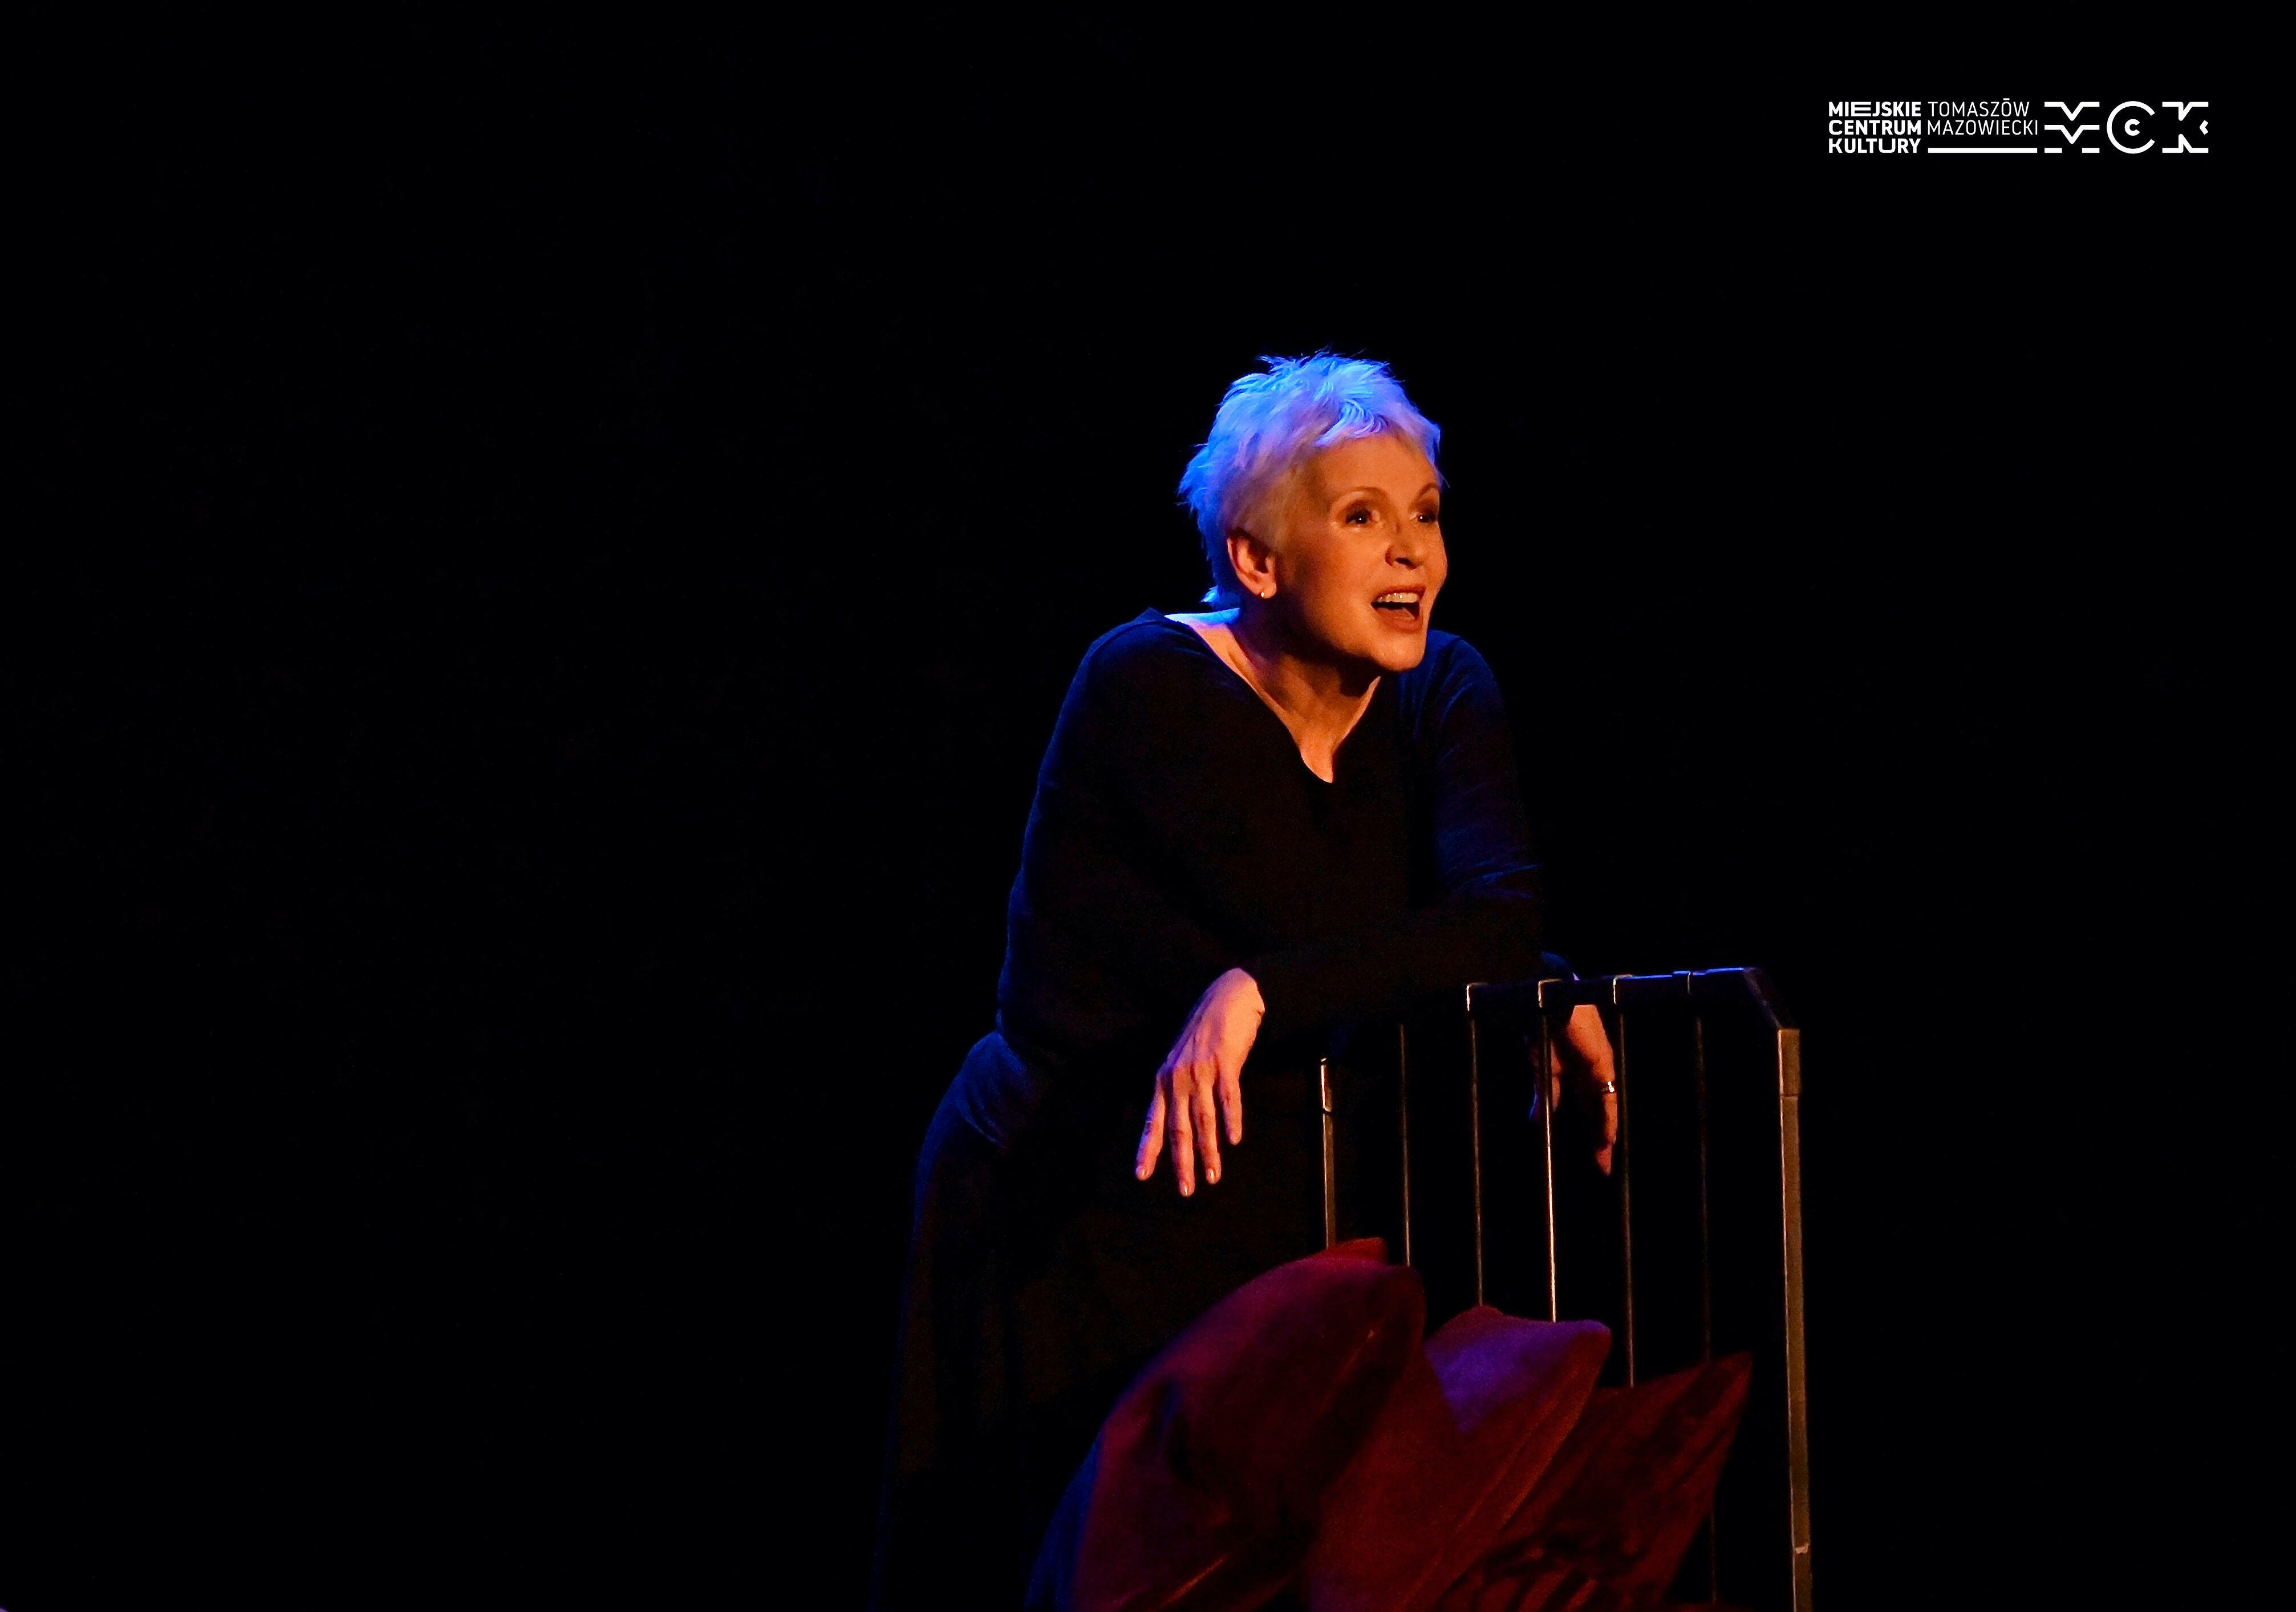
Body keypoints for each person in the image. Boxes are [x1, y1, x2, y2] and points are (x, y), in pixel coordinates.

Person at [871, 355, 1617, 1607]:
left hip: (1258, 1203)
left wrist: (1515, 967)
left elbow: (1489, 913)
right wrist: (1488, 964)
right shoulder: (1145, 685)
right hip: (1064, 1199)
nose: (1412, 552)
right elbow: (1351, 931)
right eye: (1362, 516)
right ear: (1258, 562)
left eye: (1425, 512)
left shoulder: (1443, 687)